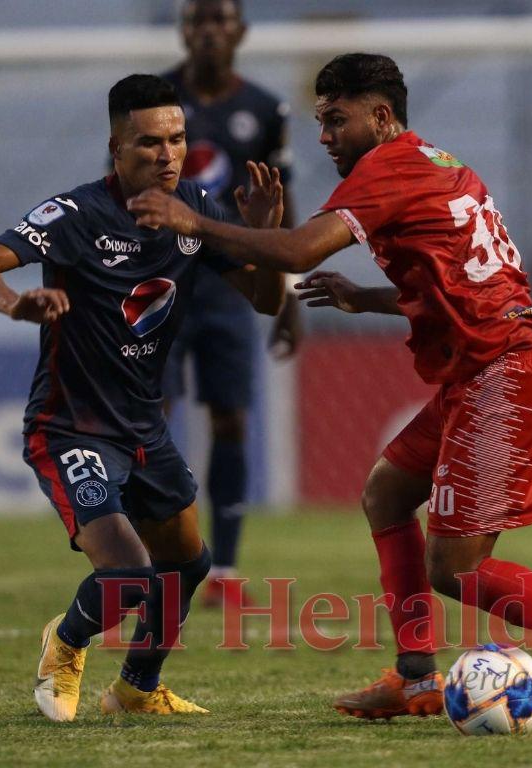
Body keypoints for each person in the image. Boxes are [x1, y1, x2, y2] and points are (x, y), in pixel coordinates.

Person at [126, 53, 532, 728]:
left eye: (336, 119)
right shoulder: (439, 163)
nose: (324, 137)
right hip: (489, 367)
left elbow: (297, 252)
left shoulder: (387, 168)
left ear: (380, 116)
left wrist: (195, 221)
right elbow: (458, 284)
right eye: (319, 121)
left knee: (455, 568)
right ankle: (414, 679)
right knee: (387, 491)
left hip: (504, 375)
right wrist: (362, 297)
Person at [0, 74, 285, 722]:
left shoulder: (198, 209)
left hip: (143, 426)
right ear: (116, 147)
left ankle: (134, 689)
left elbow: (267, 300)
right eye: (149, 143)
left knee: (187, 565)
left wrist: (264, 239)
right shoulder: (76, 216)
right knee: (129, 573)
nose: (167, 155)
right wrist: (16, 302)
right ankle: (66, 642)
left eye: (178, 139)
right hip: (70, 425)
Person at [161, 0, 301, 607]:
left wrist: (289, 289)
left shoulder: (265, 110)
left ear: (240, 31)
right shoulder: (153, 98)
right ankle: (155, 559)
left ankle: (227, 572)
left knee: (230, 418)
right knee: (150, 419)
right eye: (200, 19)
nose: (211, 30)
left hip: (229, 286)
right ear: (184, 29)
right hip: (159, 281)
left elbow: (282, 202)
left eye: (222, 18)